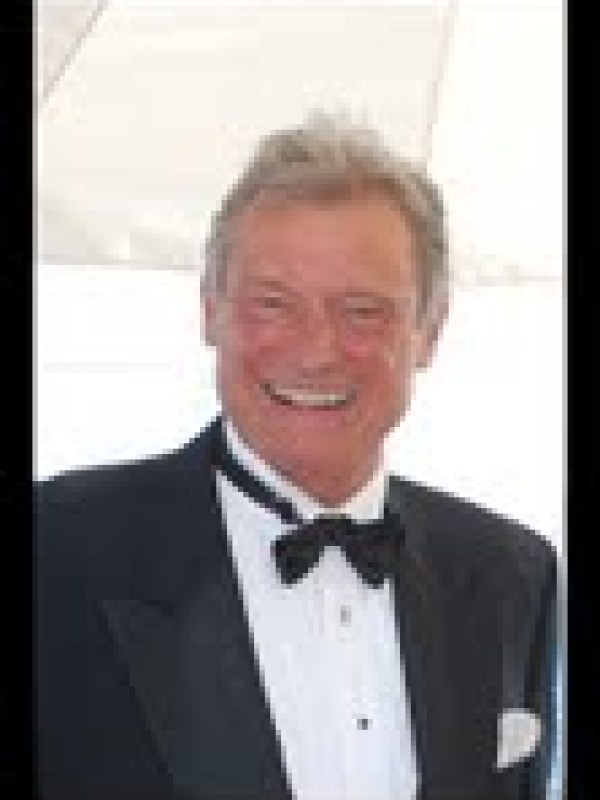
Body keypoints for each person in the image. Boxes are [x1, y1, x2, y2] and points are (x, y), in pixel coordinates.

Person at [36, 114, 557, 800]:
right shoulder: (58, 546)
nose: (315, 351)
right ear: (210, 311)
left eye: (361, 311)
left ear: (429, 331)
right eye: (272, 304)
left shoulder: (513, 571)